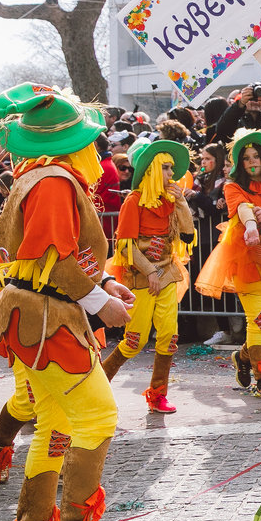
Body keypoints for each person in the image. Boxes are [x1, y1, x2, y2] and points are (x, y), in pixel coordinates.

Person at [0, 87, 136, 521]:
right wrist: (100, 302)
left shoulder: (37, 177)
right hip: (47, 319)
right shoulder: (54, 181)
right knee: (97, 417)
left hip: (34, 314)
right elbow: (56, 260)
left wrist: (105, 283)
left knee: (56, 423)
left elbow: (47, 257)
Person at [196, 129, 261, 400]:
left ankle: (243, 357)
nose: (252, 161)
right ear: (240, 163)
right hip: (246, 262)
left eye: (256, 156)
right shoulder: (233, 187)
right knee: (259, 321)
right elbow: (242, 209)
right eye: (245, 158)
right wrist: (253, 225)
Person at [98, 140, 195, 414]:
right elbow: (126, 246)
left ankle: (158, 394)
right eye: (165, 168)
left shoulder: (170, 200)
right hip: (141, 278)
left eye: (171, 168)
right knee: (134, 340)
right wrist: (149, 270)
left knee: (169, 336)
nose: (170, 174)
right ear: (152, 170)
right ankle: (99, 388)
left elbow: (187, 235)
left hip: (167, 273)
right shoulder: (133, 201)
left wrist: (182, 202)